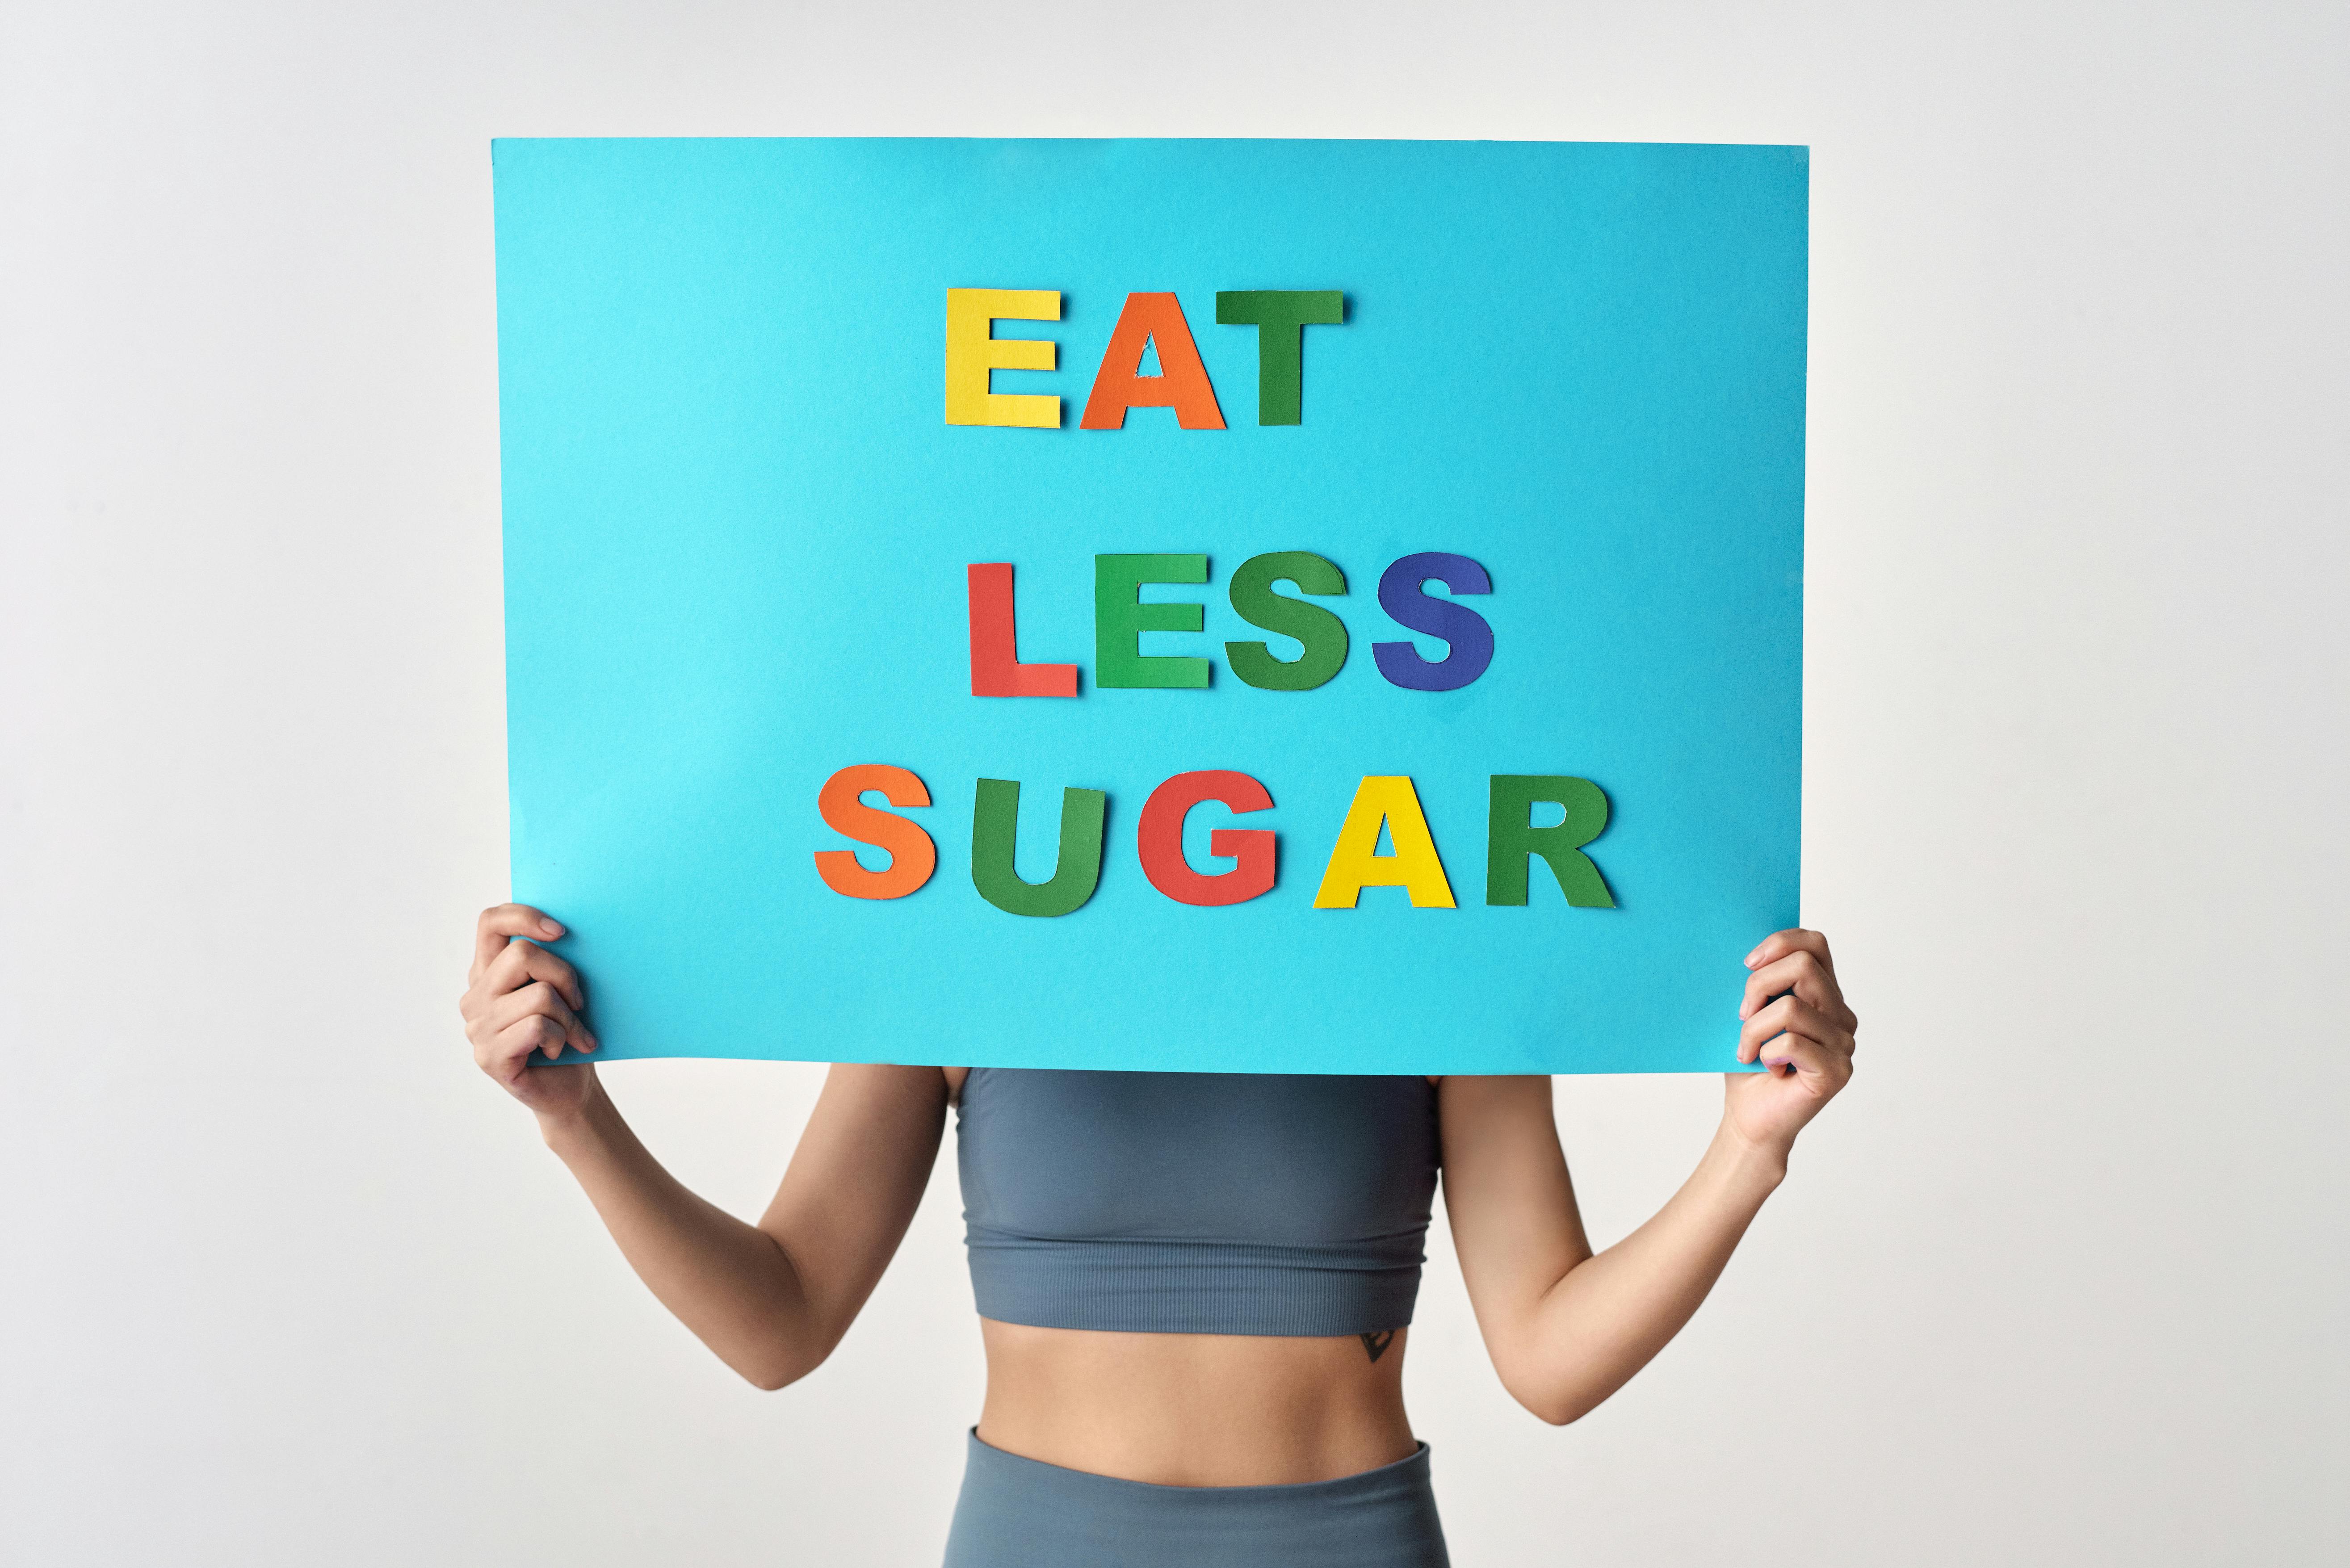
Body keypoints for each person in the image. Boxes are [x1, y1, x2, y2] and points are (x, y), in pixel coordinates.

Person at [462, 903, 1857, 1567]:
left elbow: (1549, 1357)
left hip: (1342, 1547)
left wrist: (1746, 1152)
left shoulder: (1438, 960)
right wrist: (576, 1123)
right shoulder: (952, 943)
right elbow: (781, 1320)